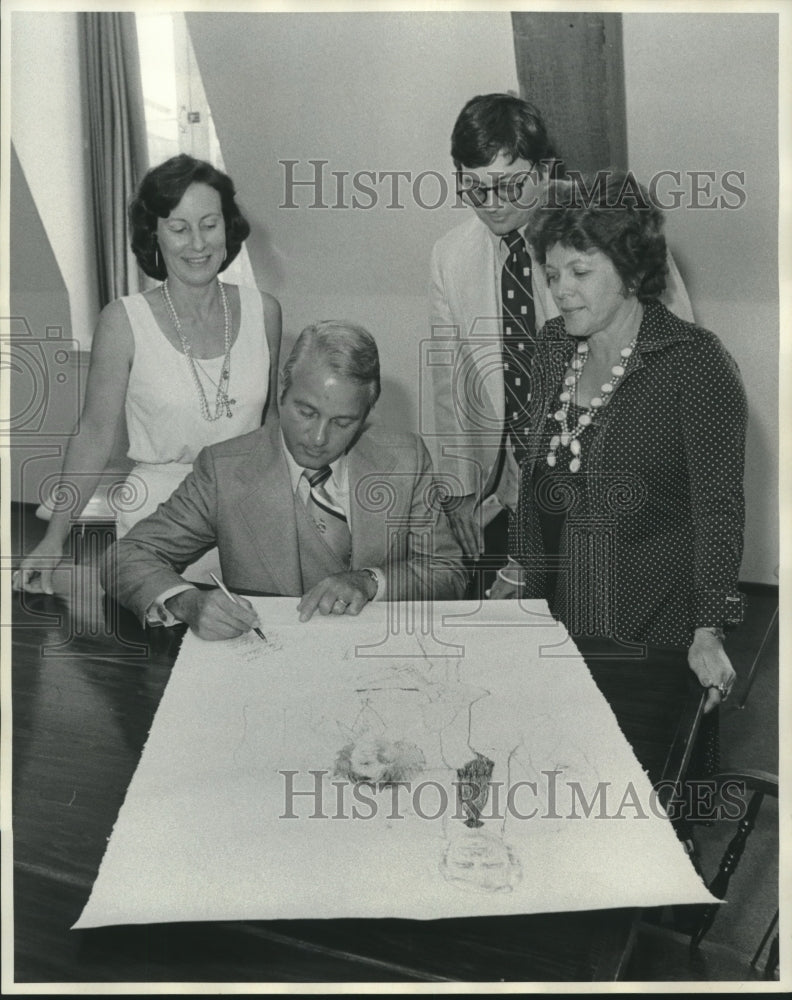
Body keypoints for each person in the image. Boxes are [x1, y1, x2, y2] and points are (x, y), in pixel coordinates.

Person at [491, 170, 746, 721]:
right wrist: (519, 576)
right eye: (553, 272)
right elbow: (538, 477)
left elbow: (717, 509)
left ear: (630, 271)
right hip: (559, 613)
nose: (561, 290)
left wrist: (708, 630)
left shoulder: (691, 361)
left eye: (581, 271)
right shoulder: (554, 345)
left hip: (654, 626)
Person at [427, 93, 694, 581]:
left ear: (543, 169)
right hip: (516, 483)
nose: (492, 205)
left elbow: (675, 356)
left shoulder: (610, 224)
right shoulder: (449, 256)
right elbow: (451, 385)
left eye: (509, 186)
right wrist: (460, 489)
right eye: (473, 188)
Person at [13, 153, 281, 594]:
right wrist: (53, 539)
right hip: (157, 521)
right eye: (178, 228)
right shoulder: (123, 321)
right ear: (153, 234)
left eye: (209, 224)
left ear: (227, 228)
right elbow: (93, 435)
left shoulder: (264, 311)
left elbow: (270, 426)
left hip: (247, 516)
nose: (197, 243)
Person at [102, 321, 467, 636]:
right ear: (282, 392)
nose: (319, 437)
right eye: (306, 411)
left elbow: (448, 571)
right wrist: (187, 602)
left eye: (343, 422)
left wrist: (370, 581)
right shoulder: (225, 470)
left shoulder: (405, 459)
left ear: (367, 413)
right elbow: (124, 556)